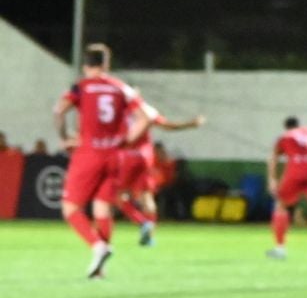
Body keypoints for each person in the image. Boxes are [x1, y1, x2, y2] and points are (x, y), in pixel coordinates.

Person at [52, 43, 147, 279]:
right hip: (115, 155)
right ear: (106, 65)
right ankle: (99, 269)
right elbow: (144, 118)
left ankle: (98, 246)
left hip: (89, 153)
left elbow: (58, 110)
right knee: (102, 207)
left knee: (70, 208)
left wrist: (64, 138)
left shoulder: (81, 87)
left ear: (85, 66)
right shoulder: (121, 88)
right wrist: (127, 141)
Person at [113, 89, 205, 247]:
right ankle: (149, 236)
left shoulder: (118, 111)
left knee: (116, 195)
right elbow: (166, 125)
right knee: (147, 197)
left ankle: (142, 222)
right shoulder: (146, 109)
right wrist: (190, 124)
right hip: (145, 157)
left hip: (126, 157)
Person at [266, 115, 307, 261]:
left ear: (287, 127)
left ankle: (280, 248)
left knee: (281, 206)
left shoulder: (286, 136)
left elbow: (273, 158)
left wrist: (272, 179)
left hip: (296, 171)